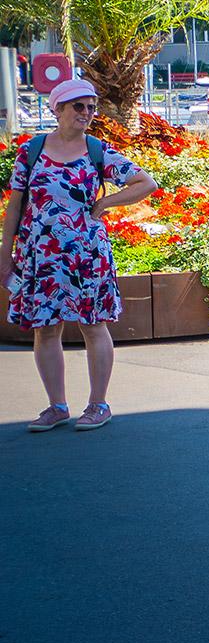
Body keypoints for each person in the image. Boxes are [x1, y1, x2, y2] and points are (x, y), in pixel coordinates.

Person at [2, 78, 158, 432]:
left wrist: (104, 203)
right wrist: (5, 253)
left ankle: (98, 404)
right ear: (57, 109)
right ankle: (57, 406)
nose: (86, 113)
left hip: (86, 254)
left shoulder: (96, 150)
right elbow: (15, 207)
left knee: (93, 324)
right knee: (45, 328)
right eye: (78, 106)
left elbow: (146, 183)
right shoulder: (31, 151)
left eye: (91, 107)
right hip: (40, 254)